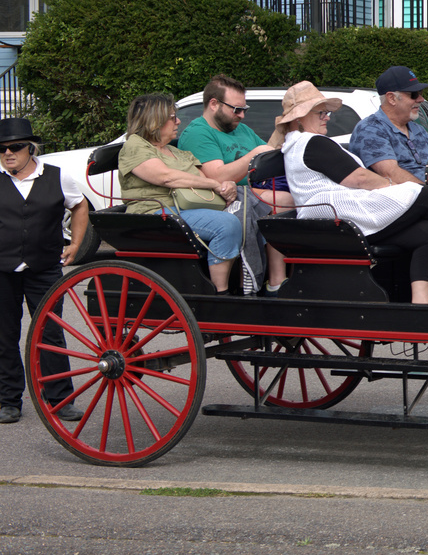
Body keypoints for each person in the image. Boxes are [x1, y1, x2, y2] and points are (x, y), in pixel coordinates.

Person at [276, 82, 428, 305]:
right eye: (321, 112)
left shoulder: (303, 143)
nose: (327, 117)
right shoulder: (310, 142)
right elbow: (360, 178)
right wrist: (392, 187)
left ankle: (421, 301)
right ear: (299, 118)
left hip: (340, 214)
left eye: (326, 112)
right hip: (338, 218)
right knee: (423, 196)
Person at [0, 118, 88, 426]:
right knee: (4, 335)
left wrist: (76, 243)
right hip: (2, 269)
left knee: (50, 333)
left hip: (45, 267)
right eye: (2, 149)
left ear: (30, 148)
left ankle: (61, 399)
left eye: (15, 147)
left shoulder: (57, 177)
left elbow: (79, 206)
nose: (8, 153)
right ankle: (9, 401)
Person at [118, 93, 243, 294]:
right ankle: (221, 293)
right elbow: (166, 177)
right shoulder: (135, 145)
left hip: (185, 209)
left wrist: (226, 185)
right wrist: (214, 184)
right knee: (226, 224)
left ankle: (252, 282)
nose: (178, 121)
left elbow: (201, 177)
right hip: (155, 213)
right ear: (154, 120)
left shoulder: (176, 151)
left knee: (248, 215)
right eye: (172, 117)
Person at [177, 74, 287, 293]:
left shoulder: (240, 129)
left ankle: (285, 276)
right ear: (214, 104)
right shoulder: (199, 133)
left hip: (252, 188)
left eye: (244, 108)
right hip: (225, 195)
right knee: (287, 201)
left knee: (302, 196)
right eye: (236, 109)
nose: (242, 115)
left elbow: (267, 155)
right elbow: (217, 177)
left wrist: (282, 131)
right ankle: (275, 281)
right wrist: (254, 154)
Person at [349, 67, 428, 204]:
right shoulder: (370, 129)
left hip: (423, 200)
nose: (421, 99)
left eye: (420, 93)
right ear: (391, 98)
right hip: (395, 206)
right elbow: (390, 174)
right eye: (414, 94)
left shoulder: (418, 130)